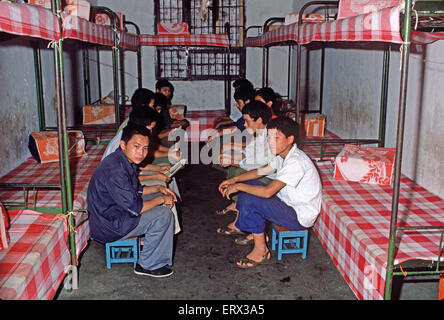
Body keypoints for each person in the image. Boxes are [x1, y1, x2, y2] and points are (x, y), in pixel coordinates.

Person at [218, 117, 322, 268]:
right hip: (287, 204)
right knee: (248, 185)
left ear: (290, 139)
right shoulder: (283, 155)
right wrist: (235, 180)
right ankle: (256, 232)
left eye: (276, 138)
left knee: (250, 198)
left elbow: (268, 192)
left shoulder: (296, 162)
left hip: (298, 216)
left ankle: (261, 251)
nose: (271, 142)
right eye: (269, 137)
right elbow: (262, 171)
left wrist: (239, 186)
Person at [88, 124, 178, 277]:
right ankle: (147, 264)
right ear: (123, 145)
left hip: (113, 215)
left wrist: (158, 188)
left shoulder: (122, 161)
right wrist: (161, 199)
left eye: (145, 148)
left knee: (156, 201)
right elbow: (136, 207)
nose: (141, 153)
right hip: (109, 226)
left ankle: (150, 243)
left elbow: (135, 190)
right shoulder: (115, 170)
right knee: (163, 214)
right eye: (136, 146)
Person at [215, 100, 275, 220]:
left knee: (239, 172)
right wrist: (230, 157)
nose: (245, 125)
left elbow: (257, 166)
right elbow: (248, 153)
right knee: (232, 166)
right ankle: (238, 205)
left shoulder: (270, 137)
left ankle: (241, 217)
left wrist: (233, 161)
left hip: (272, 179)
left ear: (258, 120)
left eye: (247, 121)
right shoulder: (259, 133)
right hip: (260, 168)